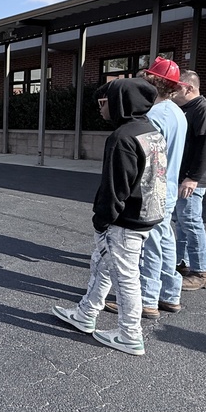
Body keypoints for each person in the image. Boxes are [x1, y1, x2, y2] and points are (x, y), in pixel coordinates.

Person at [52, 77, 167, 356]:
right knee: (102, 263)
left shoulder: (121, 137)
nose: (101, 109)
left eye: (104, 103)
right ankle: (85, 313)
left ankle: (130, 335)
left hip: (125, 220)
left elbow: (116, 187)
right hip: (148, 213)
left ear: (119, 101)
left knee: (125, 277)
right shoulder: (150, 130)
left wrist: (101, 220)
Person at [103, 58, 187, 319]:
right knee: (165, 241)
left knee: (149, 246)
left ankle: (148, 298)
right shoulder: (177, 112)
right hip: (169, 187)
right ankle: (170, 294)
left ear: (152, 82)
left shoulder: (154, 115)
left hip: (152, 190)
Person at [172, 70, 206, 291]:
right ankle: (181, 262)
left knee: (191, 222)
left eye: (176, 88)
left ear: (189, 88)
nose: (172, 92)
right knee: (182, 221)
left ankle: (202, 271)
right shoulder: (185, 110)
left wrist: (193, 178)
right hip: (181, 177)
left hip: (191, 180)